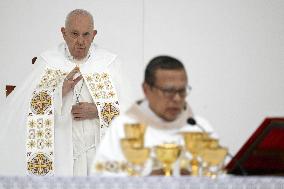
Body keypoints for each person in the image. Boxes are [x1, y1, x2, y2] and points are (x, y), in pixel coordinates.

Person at [0, 9, 127, 176]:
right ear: (63, 33)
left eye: (86, 34)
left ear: (94, 35)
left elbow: (132, 110)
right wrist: (59, 91)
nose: (81, 41)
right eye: (74, 34)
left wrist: (98, 110)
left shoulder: (109, 63)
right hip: (61, 158)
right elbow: (23, 107)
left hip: (99, 155)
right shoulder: (48, 61)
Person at [91, 55, 218, 176]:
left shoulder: (200, 128)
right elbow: (100, 178)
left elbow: (219, 177)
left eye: (182, 90)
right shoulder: (123, 128)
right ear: (146, 90)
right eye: (168, 91)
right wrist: (146, 183)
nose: (177, 98)